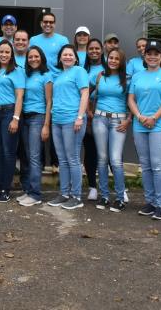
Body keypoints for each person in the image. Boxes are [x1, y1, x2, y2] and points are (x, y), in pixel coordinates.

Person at [128, 40, 161, 220]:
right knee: (146, 165)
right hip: (140, 124)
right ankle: (150, 202)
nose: (152, 57)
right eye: (149, 53)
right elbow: (131, 99)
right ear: (145, 55)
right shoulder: (137, 76)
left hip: (160, 124)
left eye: (156, 54)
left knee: (158, 164)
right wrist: (139, 116)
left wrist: (154, 117)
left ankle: (160, 204)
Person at [48, 44, 89, 210]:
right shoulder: (58, 75)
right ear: (60, 58)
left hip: (72, 120)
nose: (67, 57)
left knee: (73, 158)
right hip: (57, 120)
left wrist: (80, 117)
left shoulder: (79, 71)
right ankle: (64, 194)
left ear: (76, 58)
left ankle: (76, 196)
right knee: (62, 159)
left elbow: (85, 94)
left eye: (70, 54)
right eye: (64, 54)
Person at [89, 48, 130, 212]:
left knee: (115, 160)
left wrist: (128, 120)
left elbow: (133, 101)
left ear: (121, 62)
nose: (113, 61)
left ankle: (120, 198)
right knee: (102, 158)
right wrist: (89, 111)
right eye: (111, 57)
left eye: (116, 59)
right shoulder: (99, 76)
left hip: (118, 121)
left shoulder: (127, 79)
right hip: (99, 118)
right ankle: (104, 196)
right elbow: (87, 93)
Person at [0, 40, 26, 203]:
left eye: (7, 52)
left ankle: (5, 189)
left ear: (11, 54)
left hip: (9, 113)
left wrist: (16, 118)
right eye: (1, 52)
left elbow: (19, 96)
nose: (3, 55)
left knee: (8, 152)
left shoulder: (17, 71)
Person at [19, 46, 53, 207]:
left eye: (36, 56)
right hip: (24, 118)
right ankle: (28, 190)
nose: (33, 59)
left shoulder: (46, 76)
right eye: (30, 57)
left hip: (38, 118)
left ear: (42, 58)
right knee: (27, 156)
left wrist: (46, 125)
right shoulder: (26, 75)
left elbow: (49, 102)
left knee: (34, 157)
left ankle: (35, 194)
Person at [82, 37, 104, 201]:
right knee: (90, 152)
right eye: (91, 49)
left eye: (97, 48)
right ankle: (92, 187)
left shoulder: (108, 67)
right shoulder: (82, 70)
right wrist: (86, 110)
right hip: (87, 114)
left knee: (106, 153)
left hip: (104, 113)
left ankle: (115, 188)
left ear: (102, 51)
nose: (94, 51)